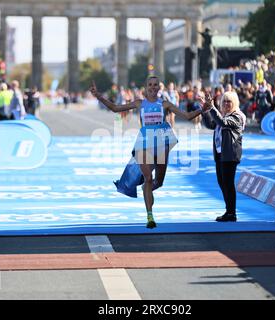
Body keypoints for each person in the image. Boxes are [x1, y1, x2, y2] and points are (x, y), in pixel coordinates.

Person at [90, 76, 202, 228]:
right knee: (148, 178)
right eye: (150, 84)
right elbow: (115, 108)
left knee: (159, 182)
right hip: (144, 142)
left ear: (159, 88)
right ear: (146, 87)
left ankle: (146, 189)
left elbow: (188, 116)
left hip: (162, 141)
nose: (153, 87)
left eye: (156, 85)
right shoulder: (139, 103)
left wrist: (204, 108)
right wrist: (98, 96)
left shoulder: (165, 104)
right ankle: (150, 216)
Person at [199, 90, 246, 222]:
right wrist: (205, 111)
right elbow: (211, 124)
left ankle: (231, 213)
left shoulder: (237, 116)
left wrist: (212, 107)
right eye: (224, 101)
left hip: (230, 155)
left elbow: (223, 123)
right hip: (221, 154)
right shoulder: (223, 115)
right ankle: (229, 211)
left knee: (228, 183)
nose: (226, 104)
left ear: (235, 103)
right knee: (222, 183)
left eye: (229, 101)